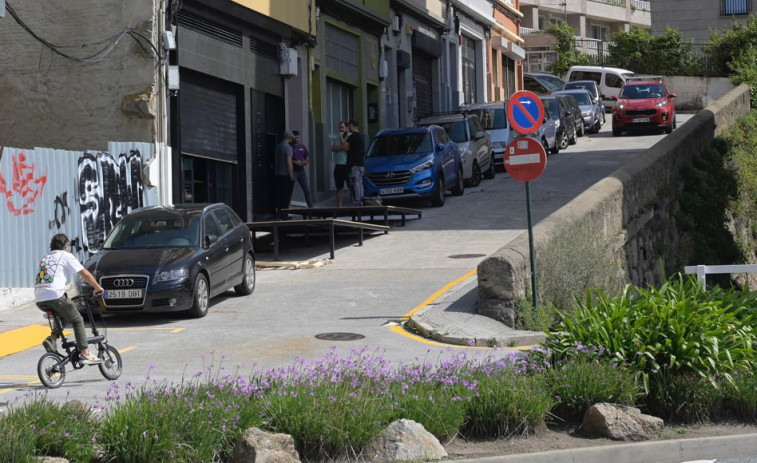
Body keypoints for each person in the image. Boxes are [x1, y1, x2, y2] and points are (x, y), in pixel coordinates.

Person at [34, 233, 104, 365]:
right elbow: (85, 273)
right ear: (66, 246)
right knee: (77, 319)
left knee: (64, 313)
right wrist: (97, 287)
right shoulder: (65, 256)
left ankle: (52, 339)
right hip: (54, 295)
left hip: (39, 298)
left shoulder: (46, 257)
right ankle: (84, 352)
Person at [344, 119, 366, 206]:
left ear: (352, 125)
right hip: (360, 163)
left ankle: (357, 200)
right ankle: (361, 198)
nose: (348, 128)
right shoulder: (361, 137)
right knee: (360, 181)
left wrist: (341, 136)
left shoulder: (353, 136)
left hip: (354, 164)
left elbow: (344, 145)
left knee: (356, 181)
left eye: (349, 126)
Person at [274, 130, 295, 219]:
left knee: (279, 194)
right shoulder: (288, 148)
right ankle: (285, 214)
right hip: (285, 175)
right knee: (286, 196)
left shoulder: (278, 147)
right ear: (289, 138)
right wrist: (291, 175)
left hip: (277, 173)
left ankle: (279, 212)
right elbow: (289, 162)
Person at [291, 130, 314, 208]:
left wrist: (306, 161)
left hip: (301, 171)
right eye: (295, 138)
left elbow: (307, 155)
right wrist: (295, 162)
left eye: (298, 138)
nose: (297, 139)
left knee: (307, 189)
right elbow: (287, 159)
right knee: (290, 190)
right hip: (293, 171)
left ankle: (311, 207)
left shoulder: (302, 146)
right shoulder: (290, 147)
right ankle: (287, 209)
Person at [331, 121, 351, 207]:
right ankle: (339, 204)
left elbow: (346, 148)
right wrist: (341, 147)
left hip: (346, 164)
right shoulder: (336, 138)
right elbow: (333, 148)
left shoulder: (350, 137)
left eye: (342, 127)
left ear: (347, 128)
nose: (340, 129)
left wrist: (341, 138)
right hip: (338, 165)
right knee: (339, 186)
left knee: (351, 185)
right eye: (339, 128)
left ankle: (353, 203)